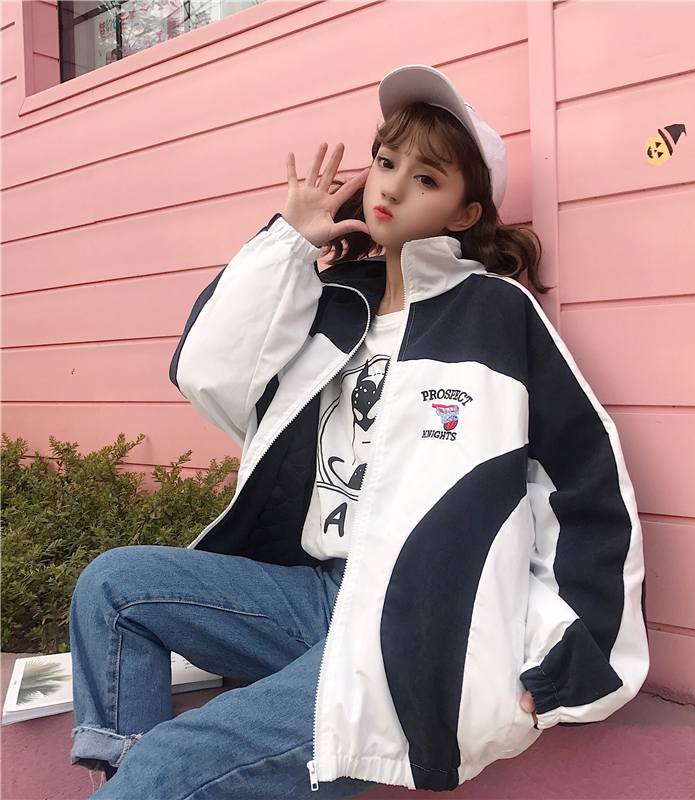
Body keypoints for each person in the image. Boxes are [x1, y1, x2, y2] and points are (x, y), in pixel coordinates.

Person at [68, 65, 649, 799]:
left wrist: (574, 661)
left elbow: (584, 487)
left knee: (170, 763)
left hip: (410, 624)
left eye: (426, 178)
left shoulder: (494, 314)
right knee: (113, 587)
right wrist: (288, 243)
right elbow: (209, 374)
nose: (392, 187)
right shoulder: (335, 304)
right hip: (316, 594)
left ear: (465, 214)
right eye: (385, 161)